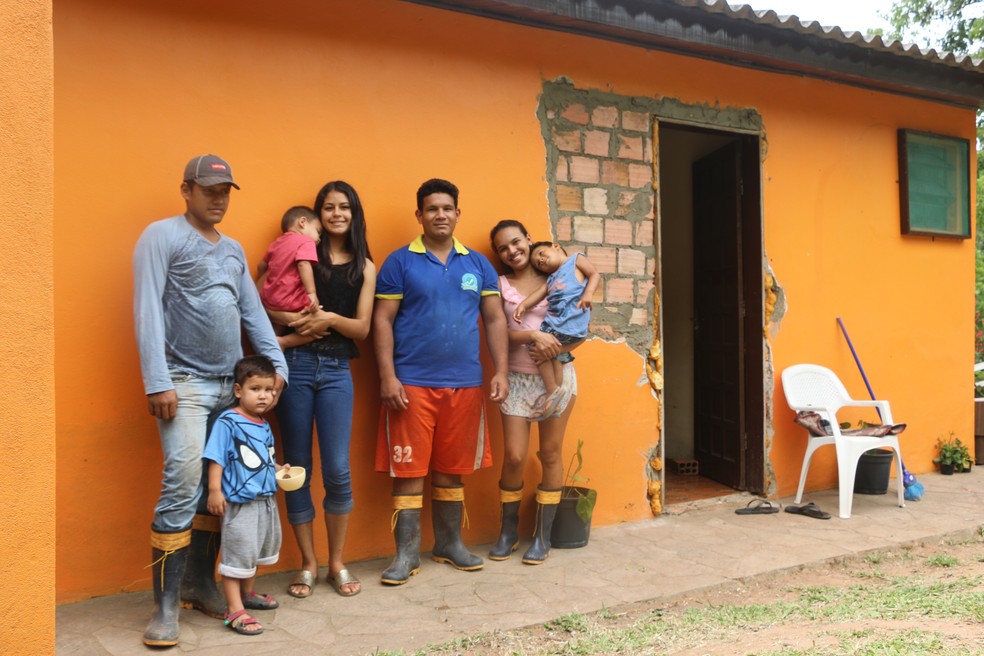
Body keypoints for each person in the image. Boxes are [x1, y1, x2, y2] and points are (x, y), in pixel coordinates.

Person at [133, 154, 288, 648]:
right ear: (186, 190)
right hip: (183, 384)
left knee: (219, 488)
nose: (218, 199)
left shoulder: (234, 249)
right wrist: (157, 380)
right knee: (182, 485)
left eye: (224, 192)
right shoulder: (162, 236)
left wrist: (277, 369)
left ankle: (201, 586)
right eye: (208, 190)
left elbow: (252, 312)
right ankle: (164, 606)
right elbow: (146, 307)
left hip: (231, 387)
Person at [373, 178, 509, 585]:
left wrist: (501, 370)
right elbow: (382, 321)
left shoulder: (478, 265)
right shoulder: (399, 262)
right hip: (411, 384)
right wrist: (388, 376)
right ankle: (405, 555)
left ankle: (449, 545)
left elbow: (495, 319)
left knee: (452, 470)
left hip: (464, 384)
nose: (440, 215)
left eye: (447, 208)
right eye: (432, 208)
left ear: (457, 213)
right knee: (409, 471)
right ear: (420, 215)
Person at [261, 181, 376, 599]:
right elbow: (257, 298)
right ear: (316, 214)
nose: (337, 214)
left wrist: (327, 320)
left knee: (338, 470)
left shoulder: (365, 266)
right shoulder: (299, 247)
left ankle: (336, 563)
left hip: (337, 371)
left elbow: (361, 329)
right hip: (293, 366)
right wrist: (292, 324)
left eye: (345, 207)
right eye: (328, 207)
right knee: (296, 469)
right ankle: (308, 563)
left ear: (354, 213)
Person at [488, 221, 580, 565]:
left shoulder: (557, 276)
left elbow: (579, 326)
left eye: (516, 242)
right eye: (503, 248)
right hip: (516, 380)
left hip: (557, 376)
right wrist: (533, 336)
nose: (512, 251)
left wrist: (556, 349)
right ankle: (507, 532)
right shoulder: (499, 285)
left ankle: (543, 537)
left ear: (528, 239)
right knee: (514, 456)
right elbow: (498, 332)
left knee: (551, 454)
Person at [203, 356, 284, 636]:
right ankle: (234, 608)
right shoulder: (228, 422)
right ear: (238, 390)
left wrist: (279, 469)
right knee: (237, 555)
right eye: (255, 389)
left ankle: (247, 593)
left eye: (268, 389)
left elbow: (263, 458)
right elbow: (216, 458)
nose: (263, 395)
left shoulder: (263, 423)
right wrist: (215, 490)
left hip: (266, 501)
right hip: (240, 503)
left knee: (255, 550)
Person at [513, 241, 599, 419]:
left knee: (537, 346)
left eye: (541, 253)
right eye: (538, 263)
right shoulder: (551, 279)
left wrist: (589, 293)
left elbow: (594, 274)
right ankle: (554, 398)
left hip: (568, 325)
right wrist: (523, 305)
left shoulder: (575, 260)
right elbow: (539, 294)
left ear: (556, 246)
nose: (541, 260)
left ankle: (552, 390)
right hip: (561, 328)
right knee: (555, 357)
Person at [258, 205, 323, 322]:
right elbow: (303, 264)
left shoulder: (277, 242)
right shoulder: (306, 241)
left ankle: (276, 333)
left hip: (268, 298)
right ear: (302, 222)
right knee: (315, 315)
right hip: (290, 301)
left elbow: (261, 266)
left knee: (279, 322)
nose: (319, 238)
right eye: (318, 231)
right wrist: (311, 293)